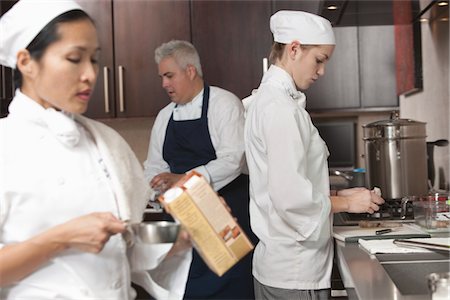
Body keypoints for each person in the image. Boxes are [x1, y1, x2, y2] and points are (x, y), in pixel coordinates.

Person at [0, 1, 192, 299]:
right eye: (75, 58)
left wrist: (179, 235)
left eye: (94, 59)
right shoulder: (6, 145)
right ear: (26, 61)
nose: (90, 74)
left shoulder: (105, 142)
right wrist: (60, 239)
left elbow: (126, 237)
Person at [243, 10, 385, 300]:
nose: (321, 71)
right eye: (319, 60)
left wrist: (330, 192)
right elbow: (290, 198)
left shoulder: (275, 102)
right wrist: (346, 201)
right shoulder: (280, 109)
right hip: (294, 271)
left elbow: (283, 181)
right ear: (294, 49)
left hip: (284, 266)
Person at [144, 40, 256, 299]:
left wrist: (184, 181)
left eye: (169, 76)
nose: (164, 84)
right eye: (162, 77)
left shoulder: (224, 104)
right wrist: (156, 186)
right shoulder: (164, 117)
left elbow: (233, 159)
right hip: (185, 227)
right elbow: (153, 166)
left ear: (190, 71)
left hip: (228, 222)